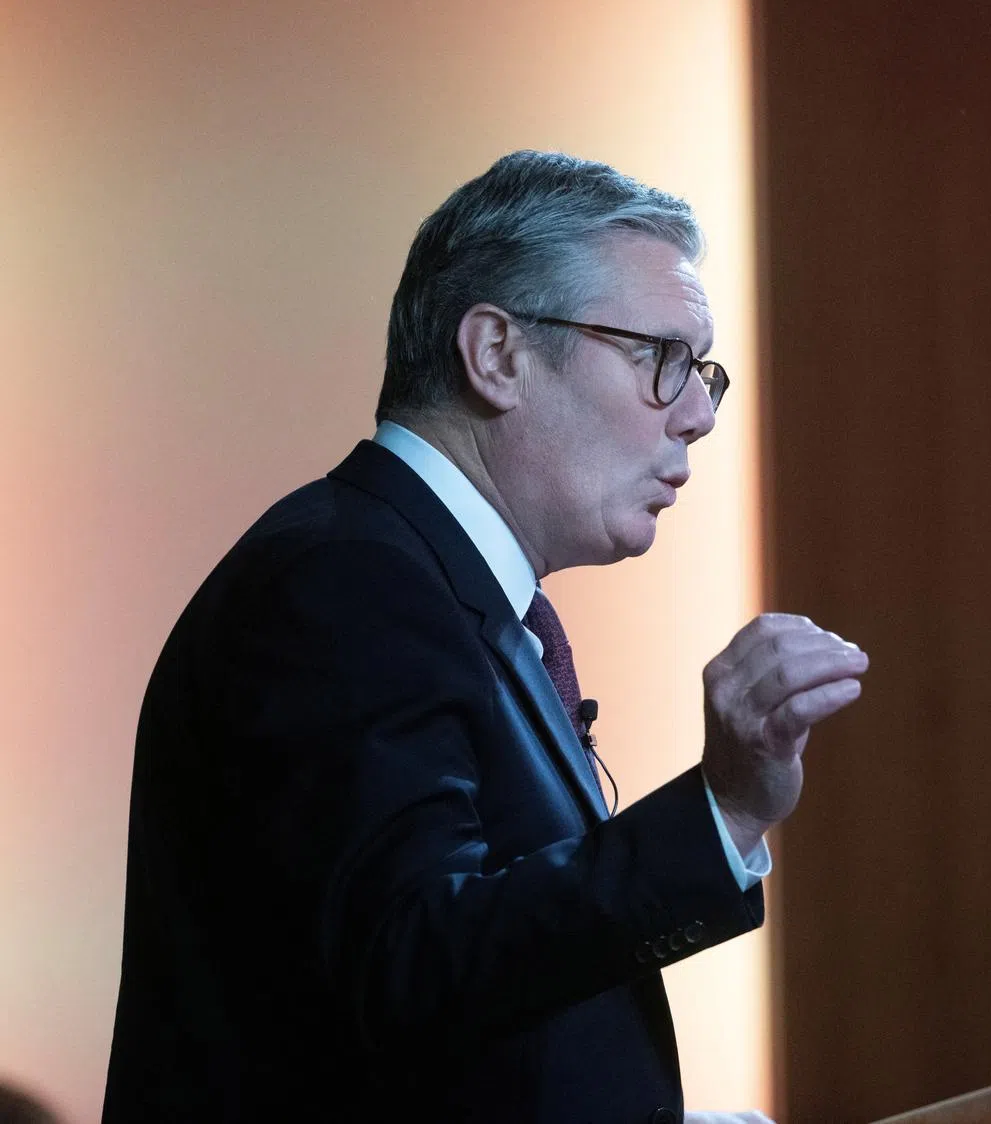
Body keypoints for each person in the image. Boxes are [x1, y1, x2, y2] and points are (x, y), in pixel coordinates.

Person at [102, 151, 868, 1123]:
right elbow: (413, 960)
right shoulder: (343, 583)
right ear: (497, 354)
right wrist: (719, 810)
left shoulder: (428, 587)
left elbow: (462, 1034)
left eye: (704, 370)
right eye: (660, 359)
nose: (702, 414)